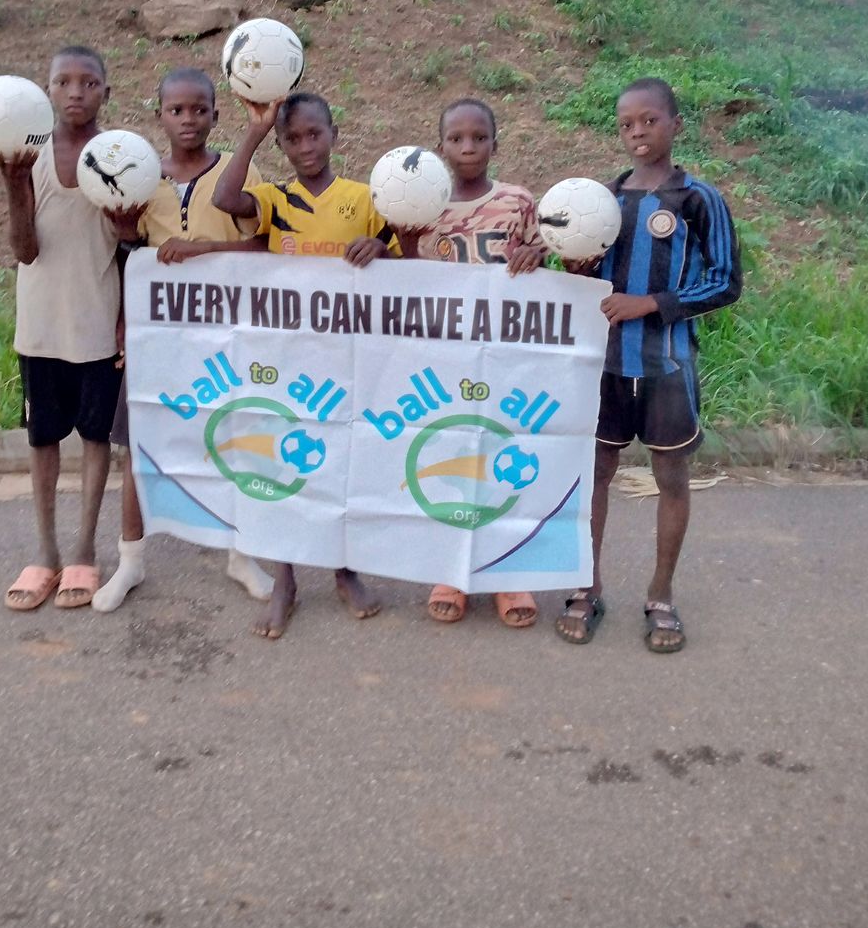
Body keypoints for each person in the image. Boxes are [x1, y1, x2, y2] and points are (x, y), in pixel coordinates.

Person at [555, 77, 741, 654]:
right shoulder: (600, 200)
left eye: (650, 120)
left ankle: (661, 595)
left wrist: (651, 304)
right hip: (606, 364)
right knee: (596, 474)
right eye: (627, 124)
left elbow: (726, 282)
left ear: (675, 125)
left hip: (668, 366)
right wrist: (564, 260)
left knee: (670, 478)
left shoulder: (698, 199)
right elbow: (585, 270)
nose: (638, 131)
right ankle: (587, 587)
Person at [213, 90, 398, 639]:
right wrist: (255, 129)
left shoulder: (366, 199)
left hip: (349, 357)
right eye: (291, 139)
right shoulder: (275, 199)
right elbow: (226, 199)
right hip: (286, 359)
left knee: (343, 465)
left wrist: (379, 249)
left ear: (334, 135)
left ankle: (344, 570)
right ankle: (286, 581)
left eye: (314, 134)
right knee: (282, 465)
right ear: (282, 146)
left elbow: (404, 258)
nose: (305, 146)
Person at [92, 67, 275, 613]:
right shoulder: (141, 177)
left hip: (229, 335)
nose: (188, 119)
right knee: (140, 446)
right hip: (160, 337)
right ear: (160, 116)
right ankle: (130, 560)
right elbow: (132, 258)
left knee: (237, 443)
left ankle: (241, 552)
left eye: (199, 109)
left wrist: (203, 250)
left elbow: (265, 246)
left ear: (216, 114)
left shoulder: (240, 171)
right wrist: (127, 236)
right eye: (176, 110)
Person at [398, 98, 547, 628]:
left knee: (505, 455)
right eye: (456, 139)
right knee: (453, 455)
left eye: (479, 138)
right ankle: (453, 571)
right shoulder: (420, 205)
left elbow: (546, 259)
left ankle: (508, 573)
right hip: (446, 356)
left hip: (506, 353)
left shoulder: (517, 202)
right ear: (439, 146)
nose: (468, 148)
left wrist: (537, 255)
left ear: (495, 144)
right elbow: (408, 279)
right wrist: (404, 243)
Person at [0, 45, 123, 610]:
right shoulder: (29, 157)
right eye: (63, 81)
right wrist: (13, 186)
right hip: (42, 326)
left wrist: (125, 320)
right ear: (46, 90)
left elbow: (130, 247)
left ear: (105, 92)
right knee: (42, 438)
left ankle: (83, 549)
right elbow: (25, 250)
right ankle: (45, 552)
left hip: (96, 324)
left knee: (96, 438)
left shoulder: (120, 156)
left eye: (88, 82)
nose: (76, 91)